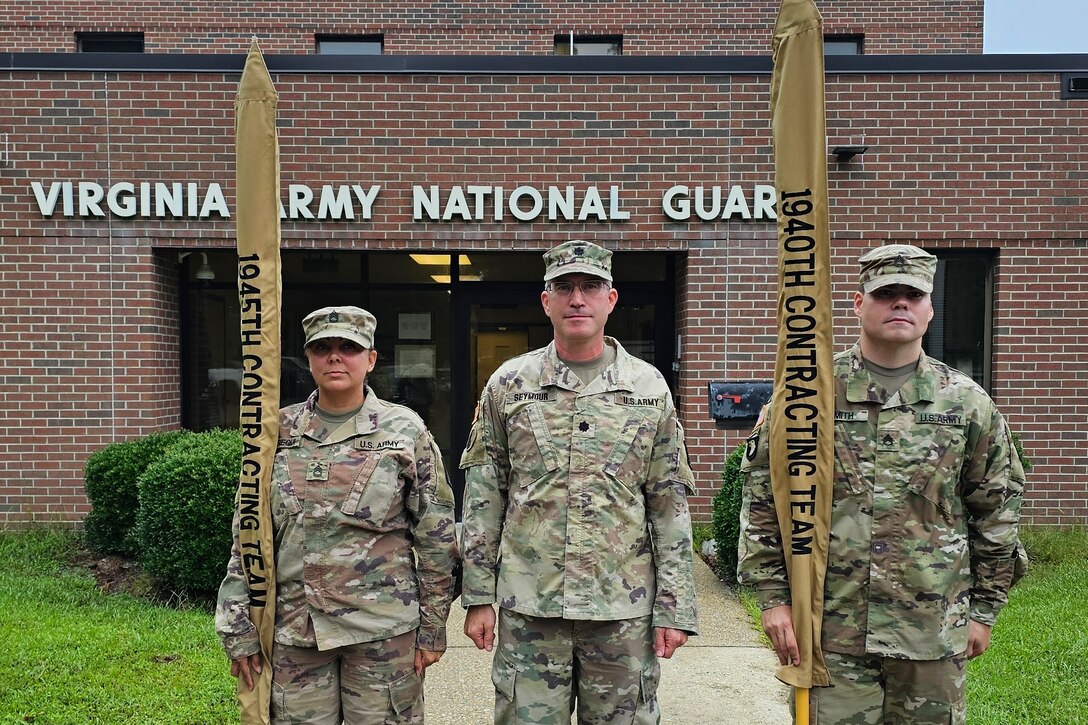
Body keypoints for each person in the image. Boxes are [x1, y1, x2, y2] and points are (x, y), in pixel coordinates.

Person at [738, 244, 1026, 724]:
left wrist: (984, 610)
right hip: (829, 631)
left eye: (912, 295)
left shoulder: (967, 404)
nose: (900, 304)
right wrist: (774, 600)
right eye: (885, 293)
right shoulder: (808, 394)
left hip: (932, 632)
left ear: (930, 308)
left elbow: (996, 510)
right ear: (857, 303)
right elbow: (766, 498)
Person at [459, 240, 699, 724]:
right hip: (531, 606)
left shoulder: (649, 388)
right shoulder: (509, 385)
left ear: (611, 300)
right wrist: (478, 595)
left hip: (621, 609)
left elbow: (668, 505)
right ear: (545, 301)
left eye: (590, 287)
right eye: (563, 288)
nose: (577, 299)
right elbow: (485, 496)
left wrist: (675, 607)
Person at [216, 306, 458, 724]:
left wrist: (433, 626)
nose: (335, 357)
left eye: (349, 347)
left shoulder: (405, 431)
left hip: (382, 631)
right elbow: (249, 532)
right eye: (322, 348)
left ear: (371, 359)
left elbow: (435, 535)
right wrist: (238, 624)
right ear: (308, 357)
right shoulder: (275, 432)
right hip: (296, 628)